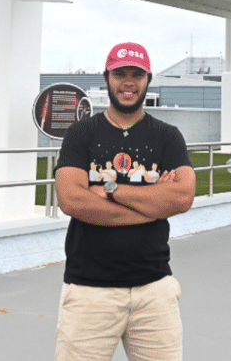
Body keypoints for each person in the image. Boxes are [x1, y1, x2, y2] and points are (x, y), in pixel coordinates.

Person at [54, 42, 196, 361]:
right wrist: (153, 205)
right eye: (120, 74)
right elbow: (72, 200)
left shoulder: (167, 136)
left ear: (148, 80)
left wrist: (111, 189)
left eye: (136, 74)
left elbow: (182, 196)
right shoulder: (81, 134)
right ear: (107, 78)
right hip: (90, 292)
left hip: (154, 291)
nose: (128, 81)